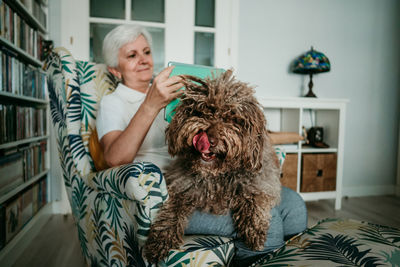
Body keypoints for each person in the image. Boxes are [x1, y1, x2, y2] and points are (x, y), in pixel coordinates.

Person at [97, 24, 307, 265]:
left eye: (146, 52)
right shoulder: (113, 103)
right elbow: (114, 158)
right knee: (268, 223)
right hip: (168, 194)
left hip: (209, 176)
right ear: (114, 70)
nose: (143, 60)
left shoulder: (174, 92)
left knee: (294, 205)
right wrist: (150, 104)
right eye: (132, 55)